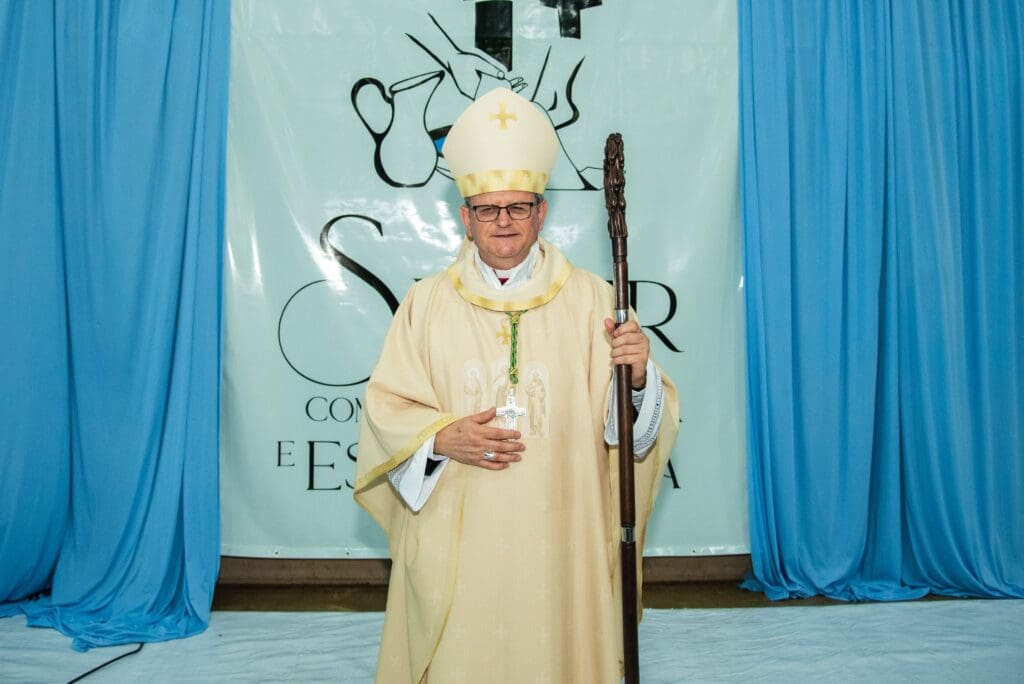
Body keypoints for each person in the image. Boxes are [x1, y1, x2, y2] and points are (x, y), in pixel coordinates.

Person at [355, 88, 679, 683]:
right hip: (459, 542)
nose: (503, 221)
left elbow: (631, 439)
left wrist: (637, 380)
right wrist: (439, 438)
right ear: (465, 218)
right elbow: (386, 409)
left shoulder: (593, 301)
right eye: (488, 209)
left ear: (541, 213)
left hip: (563, 544)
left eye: (517, 207)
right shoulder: (425, 306)